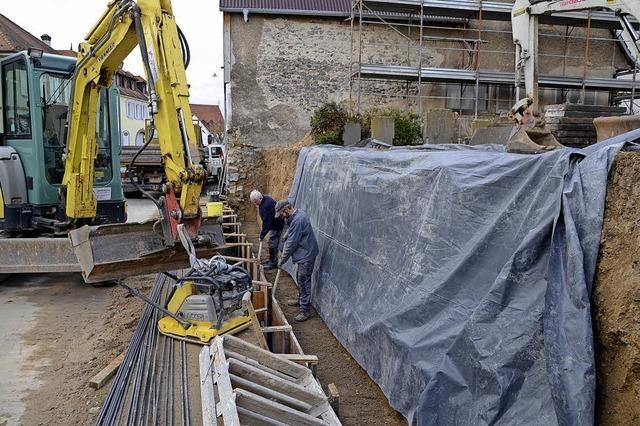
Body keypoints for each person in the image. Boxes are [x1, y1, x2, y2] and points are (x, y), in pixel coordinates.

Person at [275, 200, 319, 322]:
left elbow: (291, 244)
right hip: (305, 251)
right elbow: (292, 226)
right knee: (300, 277)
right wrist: (287, 234)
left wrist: (282, 260)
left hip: (306, 254)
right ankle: (301, 300)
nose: (282, 217)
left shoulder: (298, 220)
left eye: (282, 214)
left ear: (287, 209)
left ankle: (305, 310)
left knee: (303, 280)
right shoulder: (297, 214)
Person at [250, 190, 284, 270]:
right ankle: (271, 259)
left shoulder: (266, 206)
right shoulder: (265, 198)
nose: (255, 204)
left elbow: (266, 223)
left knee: (272, 243)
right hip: (275, 224)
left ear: (258, 200)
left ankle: (273, 262)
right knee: (272, 242)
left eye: (255, 202)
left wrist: (261, 236)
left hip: (277, 226)